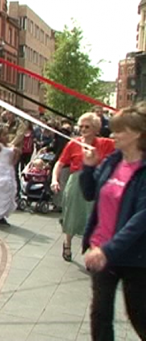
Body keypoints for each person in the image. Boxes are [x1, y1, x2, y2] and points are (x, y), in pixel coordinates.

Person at [80, 102, 146, 340]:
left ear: (137, 134)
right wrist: (88, 168)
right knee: (100, 315)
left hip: (134, 256)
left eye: (120, 130)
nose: (113, 135)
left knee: (139, 314)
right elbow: (89, 193)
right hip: (101, 249)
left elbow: (141, 218)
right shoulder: (112, 161)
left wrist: (109, 250)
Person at [52, 112, 115, 262]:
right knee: (71, 213)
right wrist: (55, 180)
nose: (83, 129)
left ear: (96, 128)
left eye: (87, 127)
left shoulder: (106, 143)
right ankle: (67, 243)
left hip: (96, 182)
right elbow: (60, 163)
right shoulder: (73, 143)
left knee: (94, 216)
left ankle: (92, 250)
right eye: (81, 126)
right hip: (76, 181)